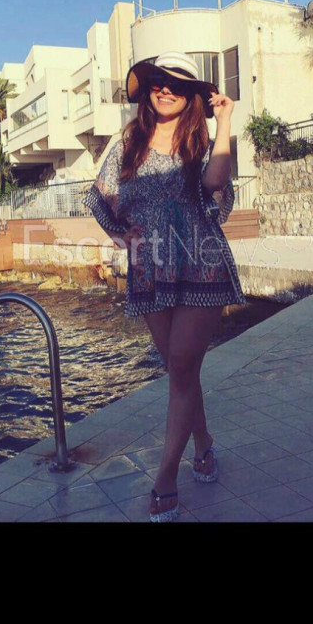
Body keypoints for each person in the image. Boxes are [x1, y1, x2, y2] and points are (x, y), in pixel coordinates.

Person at [84, 51, 247, 522]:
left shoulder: (199, 139)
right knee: (181, 371)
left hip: (201, 265)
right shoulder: (129, 141)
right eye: (158, 81)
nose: (165, 89)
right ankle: (204, 445)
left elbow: (216, 183)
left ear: (191, 94)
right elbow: (100, 196)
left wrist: (224, 120)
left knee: (181, 367)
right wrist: (120, 237)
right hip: (150, 268)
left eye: (177, 84)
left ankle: (166, 479)